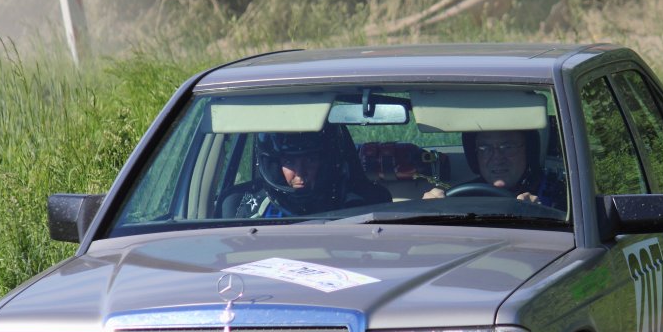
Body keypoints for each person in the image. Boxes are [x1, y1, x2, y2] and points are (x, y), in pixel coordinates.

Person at [234, 127, 390, 218]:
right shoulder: (255, 210)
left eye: (310, 160)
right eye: (289, 162)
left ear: (326, 163)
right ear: (274, 165)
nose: (300, 172)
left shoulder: (361, 205)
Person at [423, 129, 553, 204]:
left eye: (508, 147)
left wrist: (542, 215)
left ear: (528, 151)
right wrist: (428, 211)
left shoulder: (556, 194)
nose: (497, 158)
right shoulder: (459, 198)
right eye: (485, 148)